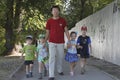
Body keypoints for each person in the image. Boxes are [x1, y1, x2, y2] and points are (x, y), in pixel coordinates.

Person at [45, 5, 70, 80]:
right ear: (51, 12)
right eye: (53, 10)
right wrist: (44, 41)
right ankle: (51, 75)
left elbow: (66, 30)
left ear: (59, 11)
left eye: (56, 10)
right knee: (52, 57)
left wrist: (69, 40)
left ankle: (60, 70)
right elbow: (47, 32)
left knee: (60, 57)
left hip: (61, 42)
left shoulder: (63, 20)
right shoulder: (49, 21)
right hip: (52, 42)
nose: (55, 11)